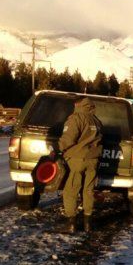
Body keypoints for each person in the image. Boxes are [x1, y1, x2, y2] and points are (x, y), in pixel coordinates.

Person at [58, 97, 103, 233]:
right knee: (88, 191)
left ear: (77, 104)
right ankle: (88, 223)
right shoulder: (96, 120)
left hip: (77, 159)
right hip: (93, 159)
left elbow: (68, 138)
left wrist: (57, 149)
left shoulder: (76, 118)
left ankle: (71, 224)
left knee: (71, 190)